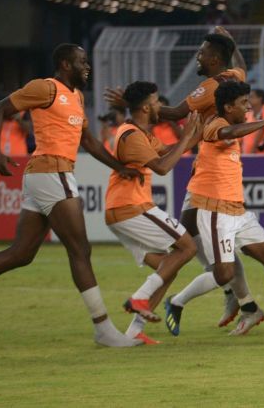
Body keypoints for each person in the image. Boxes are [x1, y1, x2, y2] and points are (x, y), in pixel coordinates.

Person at [0, 43, 143, 347]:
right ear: (65, 65)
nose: (87, 67)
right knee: (80, 250)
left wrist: (120, 167)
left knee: (21, 254)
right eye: (82, 62)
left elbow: (90, 142)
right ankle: (103, 328)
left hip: (46, 176)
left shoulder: (77, 96)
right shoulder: (46, 89)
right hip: (51, 172)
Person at [105, 26, 256, 333]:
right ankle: (231, 296)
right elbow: (239, 64)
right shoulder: (235, 77)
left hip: (208, 173)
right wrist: (231, 42)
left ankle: (142, 320)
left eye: (201, 53)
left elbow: (172, 113)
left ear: (213, 58)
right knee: (186, 248)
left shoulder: (209, 87)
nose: (197, 58)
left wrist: (136, 105)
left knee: (181, 253)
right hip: (199, 176)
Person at [164, 81, 264, 337]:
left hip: (237, 210)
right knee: (223, 273)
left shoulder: (227, 123)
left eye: (249, 101)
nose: (248, 106)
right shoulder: (215, 125)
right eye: (243, 103)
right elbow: (230, 133)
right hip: (215, 212)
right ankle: (176, 301)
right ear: (227, 107)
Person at [104, 81, 202, 344]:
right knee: (188, 247)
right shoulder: (131, 136)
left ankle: (134, 332)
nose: (162, 105)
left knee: (167, 267)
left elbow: (170, 150)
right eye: (157, 101)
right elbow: (162, 167)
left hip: (120, 211)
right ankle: (139, 297)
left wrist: (197, 132)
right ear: (147, 107)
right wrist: (186, 138)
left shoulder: (141, 133)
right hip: (131, 208)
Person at [242, 88, 264, 153]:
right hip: (246, 153)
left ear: (260, 99)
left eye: (252, 97)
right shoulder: (247, 115)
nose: (249, 99)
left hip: (261, 154)